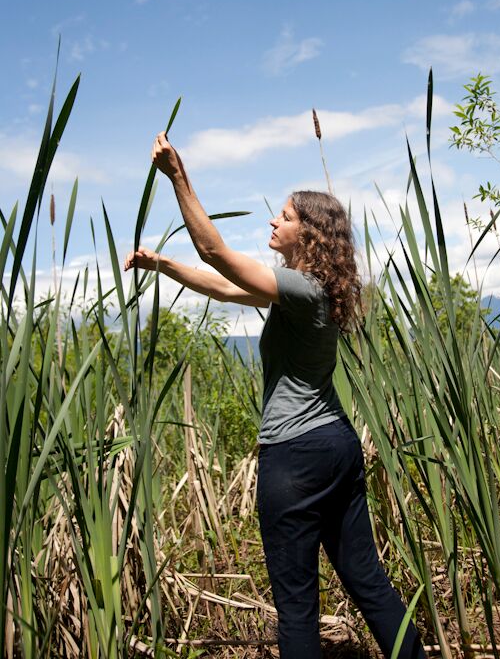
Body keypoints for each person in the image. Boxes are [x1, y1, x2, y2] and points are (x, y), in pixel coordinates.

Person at [124, 132, 426, 659]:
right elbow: (222, 285)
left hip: (295, 456)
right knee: (366, 580)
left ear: (307, 233)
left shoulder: (302, 289)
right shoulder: (308, 288)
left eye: (283, 216)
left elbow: (214, 251)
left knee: (296, 604)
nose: (273, 221)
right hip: (336, 445)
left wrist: (178, 176)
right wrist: (163, 265)